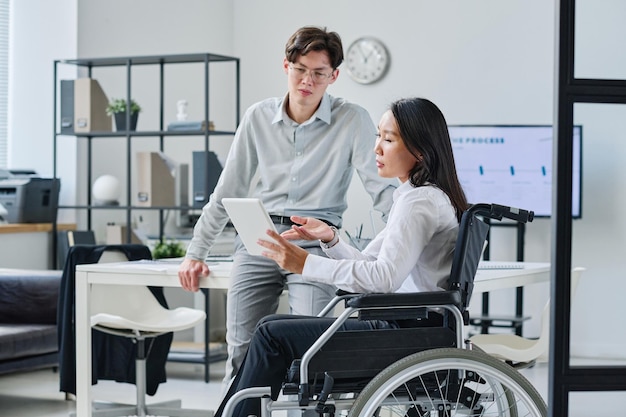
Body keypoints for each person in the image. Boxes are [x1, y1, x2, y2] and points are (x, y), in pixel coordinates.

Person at [212, 97, 469, 417]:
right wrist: (331, 239)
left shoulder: (418, 202)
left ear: (420, 151)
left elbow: (384, 279)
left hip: (405, 335)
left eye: (388, 139)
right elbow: (371, 264)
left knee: (269, 334)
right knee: (271, 327)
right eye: (378, 135)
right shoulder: (420, 197)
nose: (376, 148)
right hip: (418, 329)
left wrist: (304, 263)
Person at [178, 26, 396, 390]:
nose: (307, 80)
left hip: (314, 241)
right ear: (286, 66)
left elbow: (382, 191)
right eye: (300, 69)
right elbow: (226, 190)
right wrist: (195, 252)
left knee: (312, 346)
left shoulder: (352, 119)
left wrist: (407, 240)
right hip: (258, 237)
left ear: (334, 76)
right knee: (242, 350)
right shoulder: (257, 117)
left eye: (319, 73)